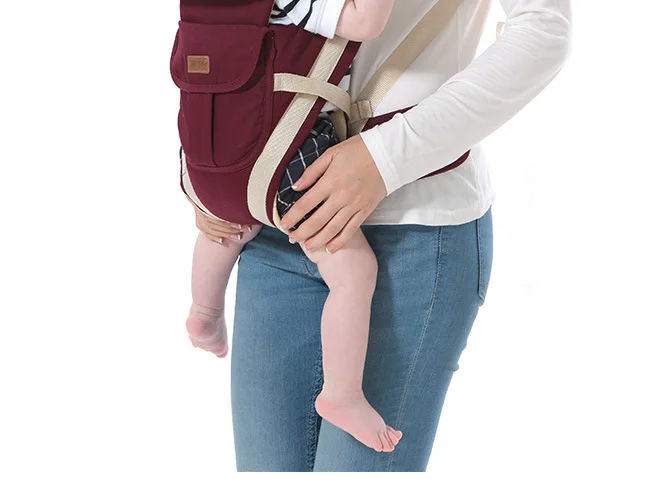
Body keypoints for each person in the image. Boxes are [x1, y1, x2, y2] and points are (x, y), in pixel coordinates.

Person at [193, 0, 572, 472]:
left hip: (412, 231)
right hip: (276, 221)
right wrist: (215, 169)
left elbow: (544, 30)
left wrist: (384, 157)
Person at [184, 0, 402, 453]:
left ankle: (204, 311)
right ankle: (342, 393)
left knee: (228, 227)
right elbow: (365, 21)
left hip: (210, 156)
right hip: (280, 158)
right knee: (354, 273)